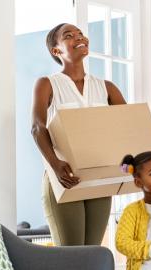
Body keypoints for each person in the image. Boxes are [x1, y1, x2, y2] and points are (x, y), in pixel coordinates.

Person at [31, 23, 127, 246]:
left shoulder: (107, 87)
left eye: (81, 34)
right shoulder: (47, 84)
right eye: (69, 36)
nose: (79, 37)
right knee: (71, 256)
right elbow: (37, 127)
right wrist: (55, 164)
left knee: (92, 254)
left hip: (99, 178)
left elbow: (127, 128)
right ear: (56, 51)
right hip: (64, 176)